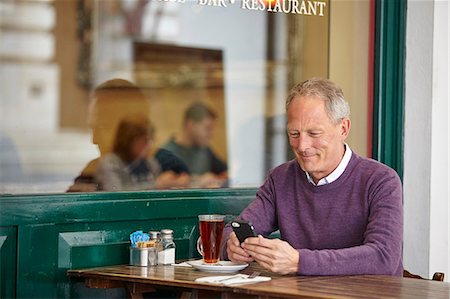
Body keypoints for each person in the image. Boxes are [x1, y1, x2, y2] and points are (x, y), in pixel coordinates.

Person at [221, 78, 403, 276]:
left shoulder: (381, 181)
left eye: (314, 133)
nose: (302, 146)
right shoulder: (280, 179)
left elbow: (383, 257)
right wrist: (232, 246)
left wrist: (299, 262)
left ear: (343, 129)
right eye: (294, 133)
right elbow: (234, 229)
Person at [67, 79, 189, 192]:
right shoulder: (96, 169)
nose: (94, 140)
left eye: (102, 127)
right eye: (93, 129)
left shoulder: (166, 164)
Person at [162, 102, 228, 188]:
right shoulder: (167, 154)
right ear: (190, 125)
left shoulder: (204, 150)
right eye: (207, 128)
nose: (211, 134)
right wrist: (199, 182)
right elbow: (165, 189)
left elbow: (225, 172)